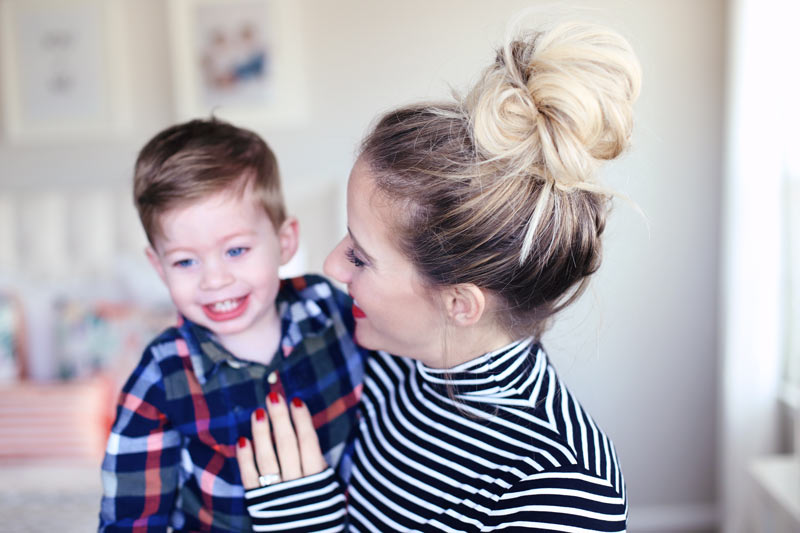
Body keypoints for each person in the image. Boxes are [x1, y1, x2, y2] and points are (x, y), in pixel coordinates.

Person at [236, 21, 641, 532]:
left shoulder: (559, 488)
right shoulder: (385, 357)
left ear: (459, 304)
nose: (332, 266)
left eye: (361, 257)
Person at [99, 118, 365, 532]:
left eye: (236, 250)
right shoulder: (162, 376)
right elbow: (132, 515)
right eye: (186, 261)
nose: (214, 280)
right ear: (158, 266)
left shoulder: (329, 309)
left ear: (285, 242)